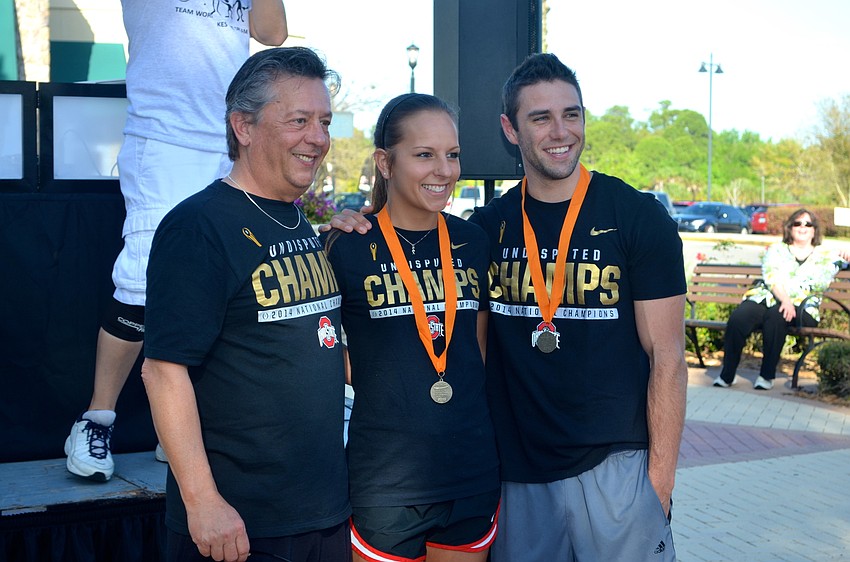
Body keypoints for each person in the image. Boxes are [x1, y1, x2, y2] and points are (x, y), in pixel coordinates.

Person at [327, 53, 688, 561]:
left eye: (572, 114)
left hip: (615, 469)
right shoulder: (486, 229)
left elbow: (669, 357)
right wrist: (357, 224)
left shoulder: (636, 216)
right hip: (513, 473)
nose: (560, 131)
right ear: (510, 130)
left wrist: (659, 484)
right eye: (540, 118)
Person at [141, 47, 351, 562]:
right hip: (239, 529)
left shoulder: (295, 218)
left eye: (323, 121)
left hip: (319, 513)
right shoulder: (199, 227)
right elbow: (163, 372)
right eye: (299, 121)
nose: (318, 138)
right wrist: (202, 501)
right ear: (243, 126)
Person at [64, 0, 287, 482]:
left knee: (215, 290)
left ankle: (175, 430)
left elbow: (273, 32)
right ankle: (96, 419)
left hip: (231, 141)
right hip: (165, 140)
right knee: (142, 284)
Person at [324, 93, 500, 562]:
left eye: (452, 154)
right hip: (385, 480)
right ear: (385, 162)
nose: (444, 170)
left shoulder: (472, 241)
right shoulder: (347, 246)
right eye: (424, 155)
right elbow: (327, 356)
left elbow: (474, 350)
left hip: (469, 471)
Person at [713, 209, 850, 390]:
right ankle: (727, 375)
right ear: (790, 227)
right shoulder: (777, 250)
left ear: (814, 230)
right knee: (740, 317)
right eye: (798, 223)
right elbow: (772, 277)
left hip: (803, 308)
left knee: (776, 317)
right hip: (769, 297)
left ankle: (766, 376)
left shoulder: (827, 256)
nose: (803, 227)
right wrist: (785, 300)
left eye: (808, 224)